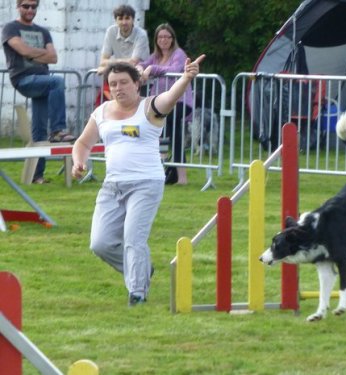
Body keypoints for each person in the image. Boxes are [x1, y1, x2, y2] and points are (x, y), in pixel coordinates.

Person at [72, 55, 206, 307]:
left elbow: (171, 97)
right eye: (113, 84)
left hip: (146, 184)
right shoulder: (101, 112)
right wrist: (79, 161)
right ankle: (141, 270)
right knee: (99, 243)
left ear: (137, 84)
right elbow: (83, 143)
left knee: (133, 238)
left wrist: (187, 77)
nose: (118, 88)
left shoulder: (150, 107)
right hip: (112, 186)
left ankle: (137, 293)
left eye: (124, 82)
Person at [1, 0, 75, 184]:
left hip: (43, 82)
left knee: (39, 132)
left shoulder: (43, 31)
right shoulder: (10, 28)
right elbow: (22, 50)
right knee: (57, 82)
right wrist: (40, 52)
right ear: (18, 7)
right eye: (26, 6)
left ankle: (36, 176)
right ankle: (58, 130)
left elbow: (54, 57)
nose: (30, 9)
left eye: (34, 6)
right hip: (24, 79)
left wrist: (31, 52)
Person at [137, 23, 192, 185]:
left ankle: (180, 175)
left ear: (173, 39)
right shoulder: (156, 56)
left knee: (172, 129)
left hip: (180, 101)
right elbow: (143, 65)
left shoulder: (179, 54)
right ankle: (166, 169)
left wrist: (151, 69)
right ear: (156, 39)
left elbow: (175, 68)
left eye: (167, 37)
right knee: (161, 130)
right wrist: (140, 69)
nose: (164, 40)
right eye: (160, 37)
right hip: (162, 103)